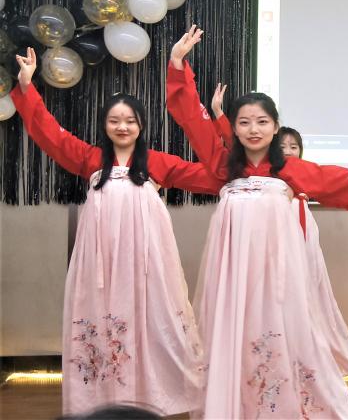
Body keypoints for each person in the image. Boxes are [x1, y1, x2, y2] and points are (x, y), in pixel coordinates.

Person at [166, 26, 348, 418]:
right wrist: (178, 65)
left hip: (277, 279)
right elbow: (191, 118)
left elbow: (347, 184)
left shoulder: (291, 170)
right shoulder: (223, 166)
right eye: (244, 122)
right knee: (232, 335)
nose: (253, 130)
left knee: (283, 334)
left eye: (262, 122)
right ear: (234, 129)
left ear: (275, 127)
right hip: (232, 279)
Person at [11, 48, 222, 416]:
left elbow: (213, 177)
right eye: (114, 121)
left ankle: (154, 396)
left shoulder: (158, 163)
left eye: (129, 121)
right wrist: (27, 87)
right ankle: (103, 399)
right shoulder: (90, 159)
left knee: (153, 322)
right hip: (101, 265)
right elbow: (50, 134)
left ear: (141, 125)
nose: (122, 127)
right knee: (104, 322)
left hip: (146, 265)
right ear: (105, 126)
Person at [210, 89, 348, 393]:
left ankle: (347, 366)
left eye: (293, 146)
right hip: (267, 251)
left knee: (316, 306)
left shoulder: (297, 175)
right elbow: (235, 144)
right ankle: (270, 374)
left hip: (302, 244)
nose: (288, 150)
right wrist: (219, 115)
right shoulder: (253, 172)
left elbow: (346, 185)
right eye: (283, 146)